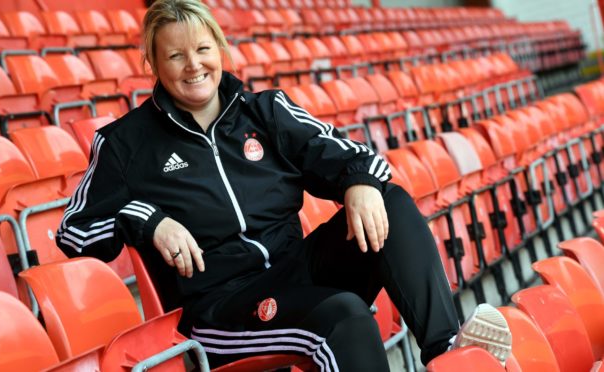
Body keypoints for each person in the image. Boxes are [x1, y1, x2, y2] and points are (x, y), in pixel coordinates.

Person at [56, 0, 512, 370]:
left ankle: (449, 352)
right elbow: (73, 231)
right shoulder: (125, 143)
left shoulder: (265, 111)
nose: (193, 66)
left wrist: (358, 184)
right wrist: (149, 220)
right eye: (175, 55)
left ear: (220, 49)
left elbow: (358, 157)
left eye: (202, 50)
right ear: (153, 63)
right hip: (223, 307)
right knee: (343, 315)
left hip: (295, 271)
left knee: (387, 199)